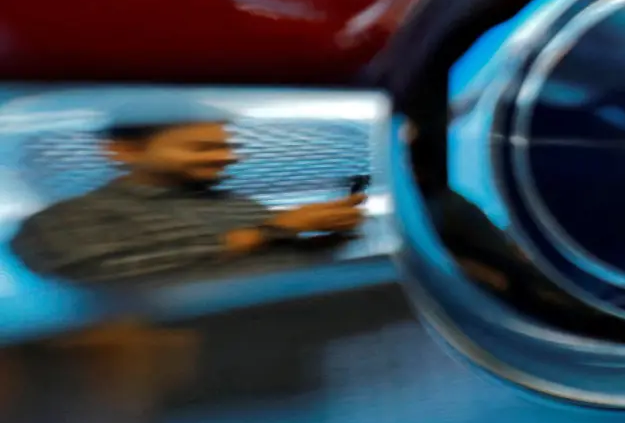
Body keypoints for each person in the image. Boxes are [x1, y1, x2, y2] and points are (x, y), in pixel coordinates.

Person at [11, 97, 366, 284]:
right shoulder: (65, 220)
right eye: (202, 148)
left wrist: (335, 232)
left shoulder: (239, 205)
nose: (226, 158)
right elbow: (105, 274)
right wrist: (273, 230)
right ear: (124, 150)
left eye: (227, 147)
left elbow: (286, 263)